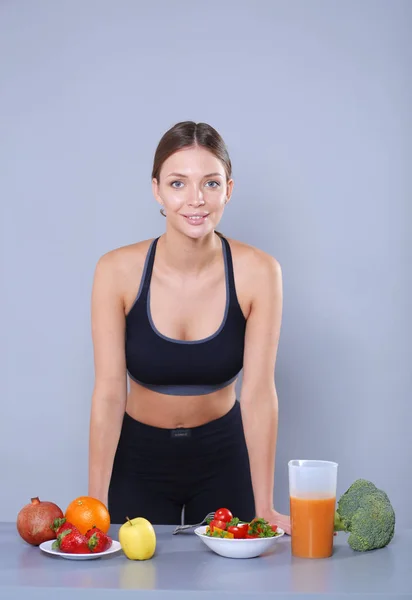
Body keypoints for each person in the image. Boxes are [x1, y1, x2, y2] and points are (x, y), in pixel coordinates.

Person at [88, 121, 291, 534]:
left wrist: (266, 505)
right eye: (178, 183)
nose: (196, 200)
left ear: (229, 190)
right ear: (157, 189)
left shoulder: (260, 272)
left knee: (234, 586)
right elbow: (109, 392)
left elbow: (258, 394)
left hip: (224, 456)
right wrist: (93, 506)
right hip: (138, 457)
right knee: (131, 585)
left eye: (211, 184)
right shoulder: (115, 271)